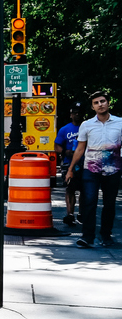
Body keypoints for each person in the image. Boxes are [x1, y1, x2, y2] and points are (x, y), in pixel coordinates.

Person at [68, 90, 122, 248]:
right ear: (93, 107)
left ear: (108, 103)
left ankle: (106, 235)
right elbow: (80, 148)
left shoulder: (120, 122)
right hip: (91, 169)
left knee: (109, 203)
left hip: (113, 169)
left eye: (102, 101)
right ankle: (87, 237)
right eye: (96, 103)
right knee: (89, 202)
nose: (100, 105)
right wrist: (71, 168)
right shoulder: (87, 125)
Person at [55, 103, 85, 226]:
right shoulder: (65, 129)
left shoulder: (87, 127)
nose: (77, 115)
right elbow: (56, 145)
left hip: (86, 163)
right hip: (68, 163)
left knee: (85, 190)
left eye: (79, 113)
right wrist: (65, 151)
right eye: (74, 113)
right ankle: (70, 214)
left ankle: (82, 213)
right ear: (71, 115)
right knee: (70, 188)